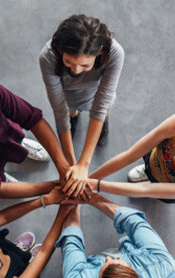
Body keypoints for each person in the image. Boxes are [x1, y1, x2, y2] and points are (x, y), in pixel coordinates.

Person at [58, 191, 175, 278]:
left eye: (102, 270)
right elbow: (135, 223)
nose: (109, 259)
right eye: (118, 262)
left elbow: (72, 242)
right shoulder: (166, 267)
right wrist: (92, 197)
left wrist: (74, 205)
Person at [39, 14, 124, 198]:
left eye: (85, 65)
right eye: (68, 62)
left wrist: (83, 165)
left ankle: (101, 125)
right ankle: (75, 117)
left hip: (96, 95)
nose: (75, 70)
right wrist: (71, 165)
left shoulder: (115, 52)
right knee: (70, 113)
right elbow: (59, 108)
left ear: (100, 51)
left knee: (104, 112)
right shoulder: (48, 56)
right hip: (68, 96)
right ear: (61, 50)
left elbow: (101, 104)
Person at [84, 112, 175, 203]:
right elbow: (131, 155)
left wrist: (96, 185)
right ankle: (147, 169)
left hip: (169, 183)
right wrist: (87, 180)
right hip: (153, 157)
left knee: (158, 192)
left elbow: (145, 189)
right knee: (148, 161)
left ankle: (152, 176)